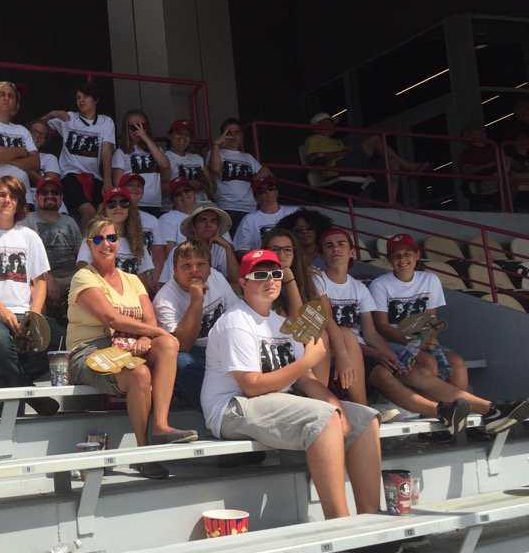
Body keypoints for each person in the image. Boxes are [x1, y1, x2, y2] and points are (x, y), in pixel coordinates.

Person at [202, 249, 388, 532]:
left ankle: (371, 521)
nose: (270, 281)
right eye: (260, 275)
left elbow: (306, 379)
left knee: (365, 420)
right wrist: (305, 363)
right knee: (323, 419)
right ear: (243, 282)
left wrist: (336, 405)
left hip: (274, 399)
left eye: (276, 274)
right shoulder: (236, 321)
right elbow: (251, 386)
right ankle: (339, 528)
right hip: (231, 407)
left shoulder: (280, 323)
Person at [317, 228, 516, 435]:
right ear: (321, 255)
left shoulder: (359, 288)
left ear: (351, 252)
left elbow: (371, 333)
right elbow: (340, 329)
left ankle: (491, 408)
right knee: (384, 374)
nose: (336, 249)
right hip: (345, 353)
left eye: (341, 244)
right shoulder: (318, 281)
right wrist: (379, 353)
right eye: (329, 246)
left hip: (368, 350)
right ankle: (441, 413)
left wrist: (392, 356)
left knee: (419, 371)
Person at [67, 216, 197, 480]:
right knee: (140, 373)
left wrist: (148, 338)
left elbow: (148, 318)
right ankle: (143, 452)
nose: (106, 244)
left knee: (168, 344)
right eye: (99, 239)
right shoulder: (83, 277)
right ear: (89, 245)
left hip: (127, 344)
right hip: (90, 349)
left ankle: (160, 426)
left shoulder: (132, 279)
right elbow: (111, 319)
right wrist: (154, 331)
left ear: (119, 242)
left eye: (112, 238)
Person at [0, 175, 62, 416]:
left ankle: (6, 372)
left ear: (19, 202)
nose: (7, 200)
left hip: (24, 311)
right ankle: (26, 389)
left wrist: (35, 316)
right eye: (1, 195)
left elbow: (39, 282)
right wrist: (0, 310)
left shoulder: (29, 237)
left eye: (13, 196)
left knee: (63, 337)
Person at [263, 228, 359, 403]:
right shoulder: (261, 279)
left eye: (287, 249)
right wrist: (289, 279)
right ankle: (319, 403)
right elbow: (295, 324)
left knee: (346, 335)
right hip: (277, 342)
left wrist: (342, 356)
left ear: (294, 253)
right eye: (275, 249)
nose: (282, 254)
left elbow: (327, 319)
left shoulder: (311, 276)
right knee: (318, 335)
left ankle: (362, 405)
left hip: (305, 342)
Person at [153, 240, 237, 407]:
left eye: (201, 264)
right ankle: (215, 409)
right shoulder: (164, 299)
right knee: (181, 361)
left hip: (222, 346)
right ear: (175, 270)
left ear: (209, 268)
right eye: (186, 266)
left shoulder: (217, 277)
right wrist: (196, 301)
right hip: (194, 351)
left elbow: (235, 315)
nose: (194, 270)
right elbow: (182, 345)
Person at [303, 112, 426, 204]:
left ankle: (392, 202)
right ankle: (409, 167)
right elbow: (311, 159)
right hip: (337, 168)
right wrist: (341, 153)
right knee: (374, 140)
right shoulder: (314, 139)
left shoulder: (337, 142)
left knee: (392, 163)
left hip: (351, 166)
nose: (333, 125)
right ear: (318, 125)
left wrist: (346, 151)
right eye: (329, 122)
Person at [42, 83, 117, 229]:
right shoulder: (69, 118)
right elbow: (36, 128)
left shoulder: (106, 121)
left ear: (96, 99)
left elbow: (107, 151)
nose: (81, 100)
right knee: (88, 212)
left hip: (94, 177)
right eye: (78, 97)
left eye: (86, 96)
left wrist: (107, 181)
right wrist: (51, 114)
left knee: (104, 216)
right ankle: (84, 251)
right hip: (70, 175)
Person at [21, 176, 83, 321]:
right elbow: (25, 257)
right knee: (35, 290)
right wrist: (46, 278)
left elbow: (79, 254)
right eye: (44, 192)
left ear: (61, 198)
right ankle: (38, 337)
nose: (50, 196)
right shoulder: (27, 219)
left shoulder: (70, 221)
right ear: (36, 197)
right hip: (41, 277)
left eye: (54, 192)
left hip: (71, 277)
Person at [76, 186, 155, 290]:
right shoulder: (93, 239)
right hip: (101, 296)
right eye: (112, 204)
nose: (118, 207)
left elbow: (143, 284)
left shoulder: (139, 242)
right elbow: (84, 273)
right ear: (104, 209)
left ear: (129, 209)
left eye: (124, 203)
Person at [207, 117, 271, 232]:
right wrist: (216, 144)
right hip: (226, 207)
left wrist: (263, 171)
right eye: (229, 133)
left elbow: (267, 173)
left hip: (249, 208)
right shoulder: (215, 152)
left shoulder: (248, 157)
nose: (233, 136)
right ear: (222, 135)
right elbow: (215, 168)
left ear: (241, 135)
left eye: (236, 132)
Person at [159, 201, 238, 286]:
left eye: (213, 221)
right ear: (193, 226)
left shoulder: (222, 249)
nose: (208, 224)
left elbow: (235, 280)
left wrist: (228, 247)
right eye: (203, 220)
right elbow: (164, 284)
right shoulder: (179, 251)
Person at [111, 109, 170, 217]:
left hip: (154, 204)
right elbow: (117, 183)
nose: (139, 131)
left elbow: (165, 165)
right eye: (134, 127)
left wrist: (146, 138)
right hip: (132, 205)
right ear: (127, 129)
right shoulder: (121, 152)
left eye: (143, 126)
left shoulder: (155, 149)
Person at [232, 177, 298, 256]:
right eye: (261, 190)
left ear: (277, 192)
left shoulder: (293, 212)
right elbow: (241, 250)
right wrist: (263, 260)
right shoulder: (249, 219)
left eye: (270, 187)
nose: (267, 191)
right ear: (256, 198)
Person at [119, 173, 164, 273]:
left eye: (139, 186)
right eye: (130, 184)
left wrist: (154, 280)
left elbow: (158, 254)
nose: (135, 188)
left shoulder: (152, 220)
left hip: (146, 277)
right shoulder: (111, 217)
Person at [155, 177, 199, 269]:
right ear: (172, 200)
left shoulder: (206, 214)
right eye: (178, 194)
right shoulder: (167, 218)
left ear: (194, 194)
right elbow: (169, 253)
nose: (183, 194)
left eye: (187, 190)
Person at [165, 119, 212, 197]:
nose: (183, 137)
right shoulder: (164, 157)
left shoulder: (197, 158)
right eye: (178, 133)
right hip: (177, 206)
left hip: (202, 205)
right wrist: (186, 184)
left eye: (187, 134)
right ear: (169, 136)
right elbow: (161, 187)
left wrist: (202, 183)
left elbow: (212, 185)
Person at [27, 118, 64, 209]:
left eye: (41, 134)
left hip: (46, 199)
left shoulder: (49, 158)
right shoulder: (14, 154)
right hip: (23, 200)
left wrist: (25, 167)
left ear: (44, 141)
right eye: (34, 132)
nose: (37, 136)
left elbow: (51, 185)